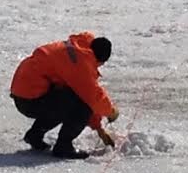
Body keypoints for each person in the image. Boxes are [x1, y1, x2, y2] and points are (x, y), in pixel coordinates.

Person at [9, 31, 119, 159]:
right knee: (77, 103)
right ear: (99, 59)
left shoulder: (77, 50)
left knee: (67, 99)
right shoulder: (81, 63)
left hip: (24, 95)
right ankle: (63, 147)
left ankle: (35, 135)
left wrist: (99, 129)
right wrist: (111, 111)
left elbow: (86, 93)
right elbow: (92, 98)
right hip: (31, 99)